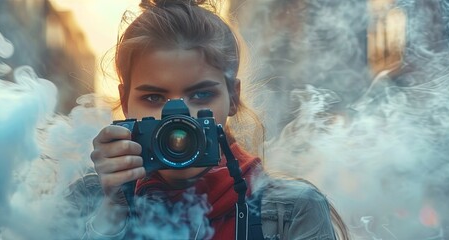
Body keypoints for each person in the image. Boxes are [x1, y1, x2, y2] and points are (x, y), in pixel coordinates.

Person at [67, 0, 350, 239]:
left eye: (201, 95)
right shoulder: (90, 200)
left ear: (233, 98)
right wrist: (113, 214)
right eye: (153, 97)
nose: (178, 119)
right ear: (126, 102)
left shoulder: (293, 209)